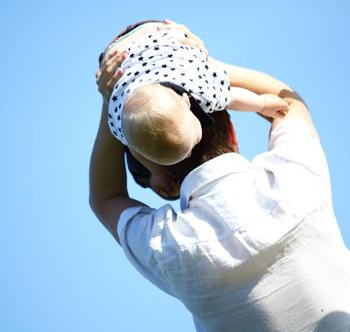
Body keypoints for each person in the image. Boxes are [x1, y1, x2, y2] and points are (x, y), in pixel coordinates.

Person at [90, 23, 350, 331]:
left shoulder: (171, 251)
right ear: (232, 131)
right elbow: (287, 103)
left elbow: (105, 198)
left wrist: (113, 101)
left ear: (158, 172)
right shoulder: (297, 179)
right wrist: (203, 65)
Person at [97, 20, 288, 198]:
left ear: (187, 101)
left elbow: (232, 97)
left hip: (158, 38)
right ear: (185, 101)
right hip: (120, 55)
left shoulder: (200, 89)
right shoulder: (118, 124)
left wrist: (263, 104)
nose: (190, 150)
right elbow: (133, 147)